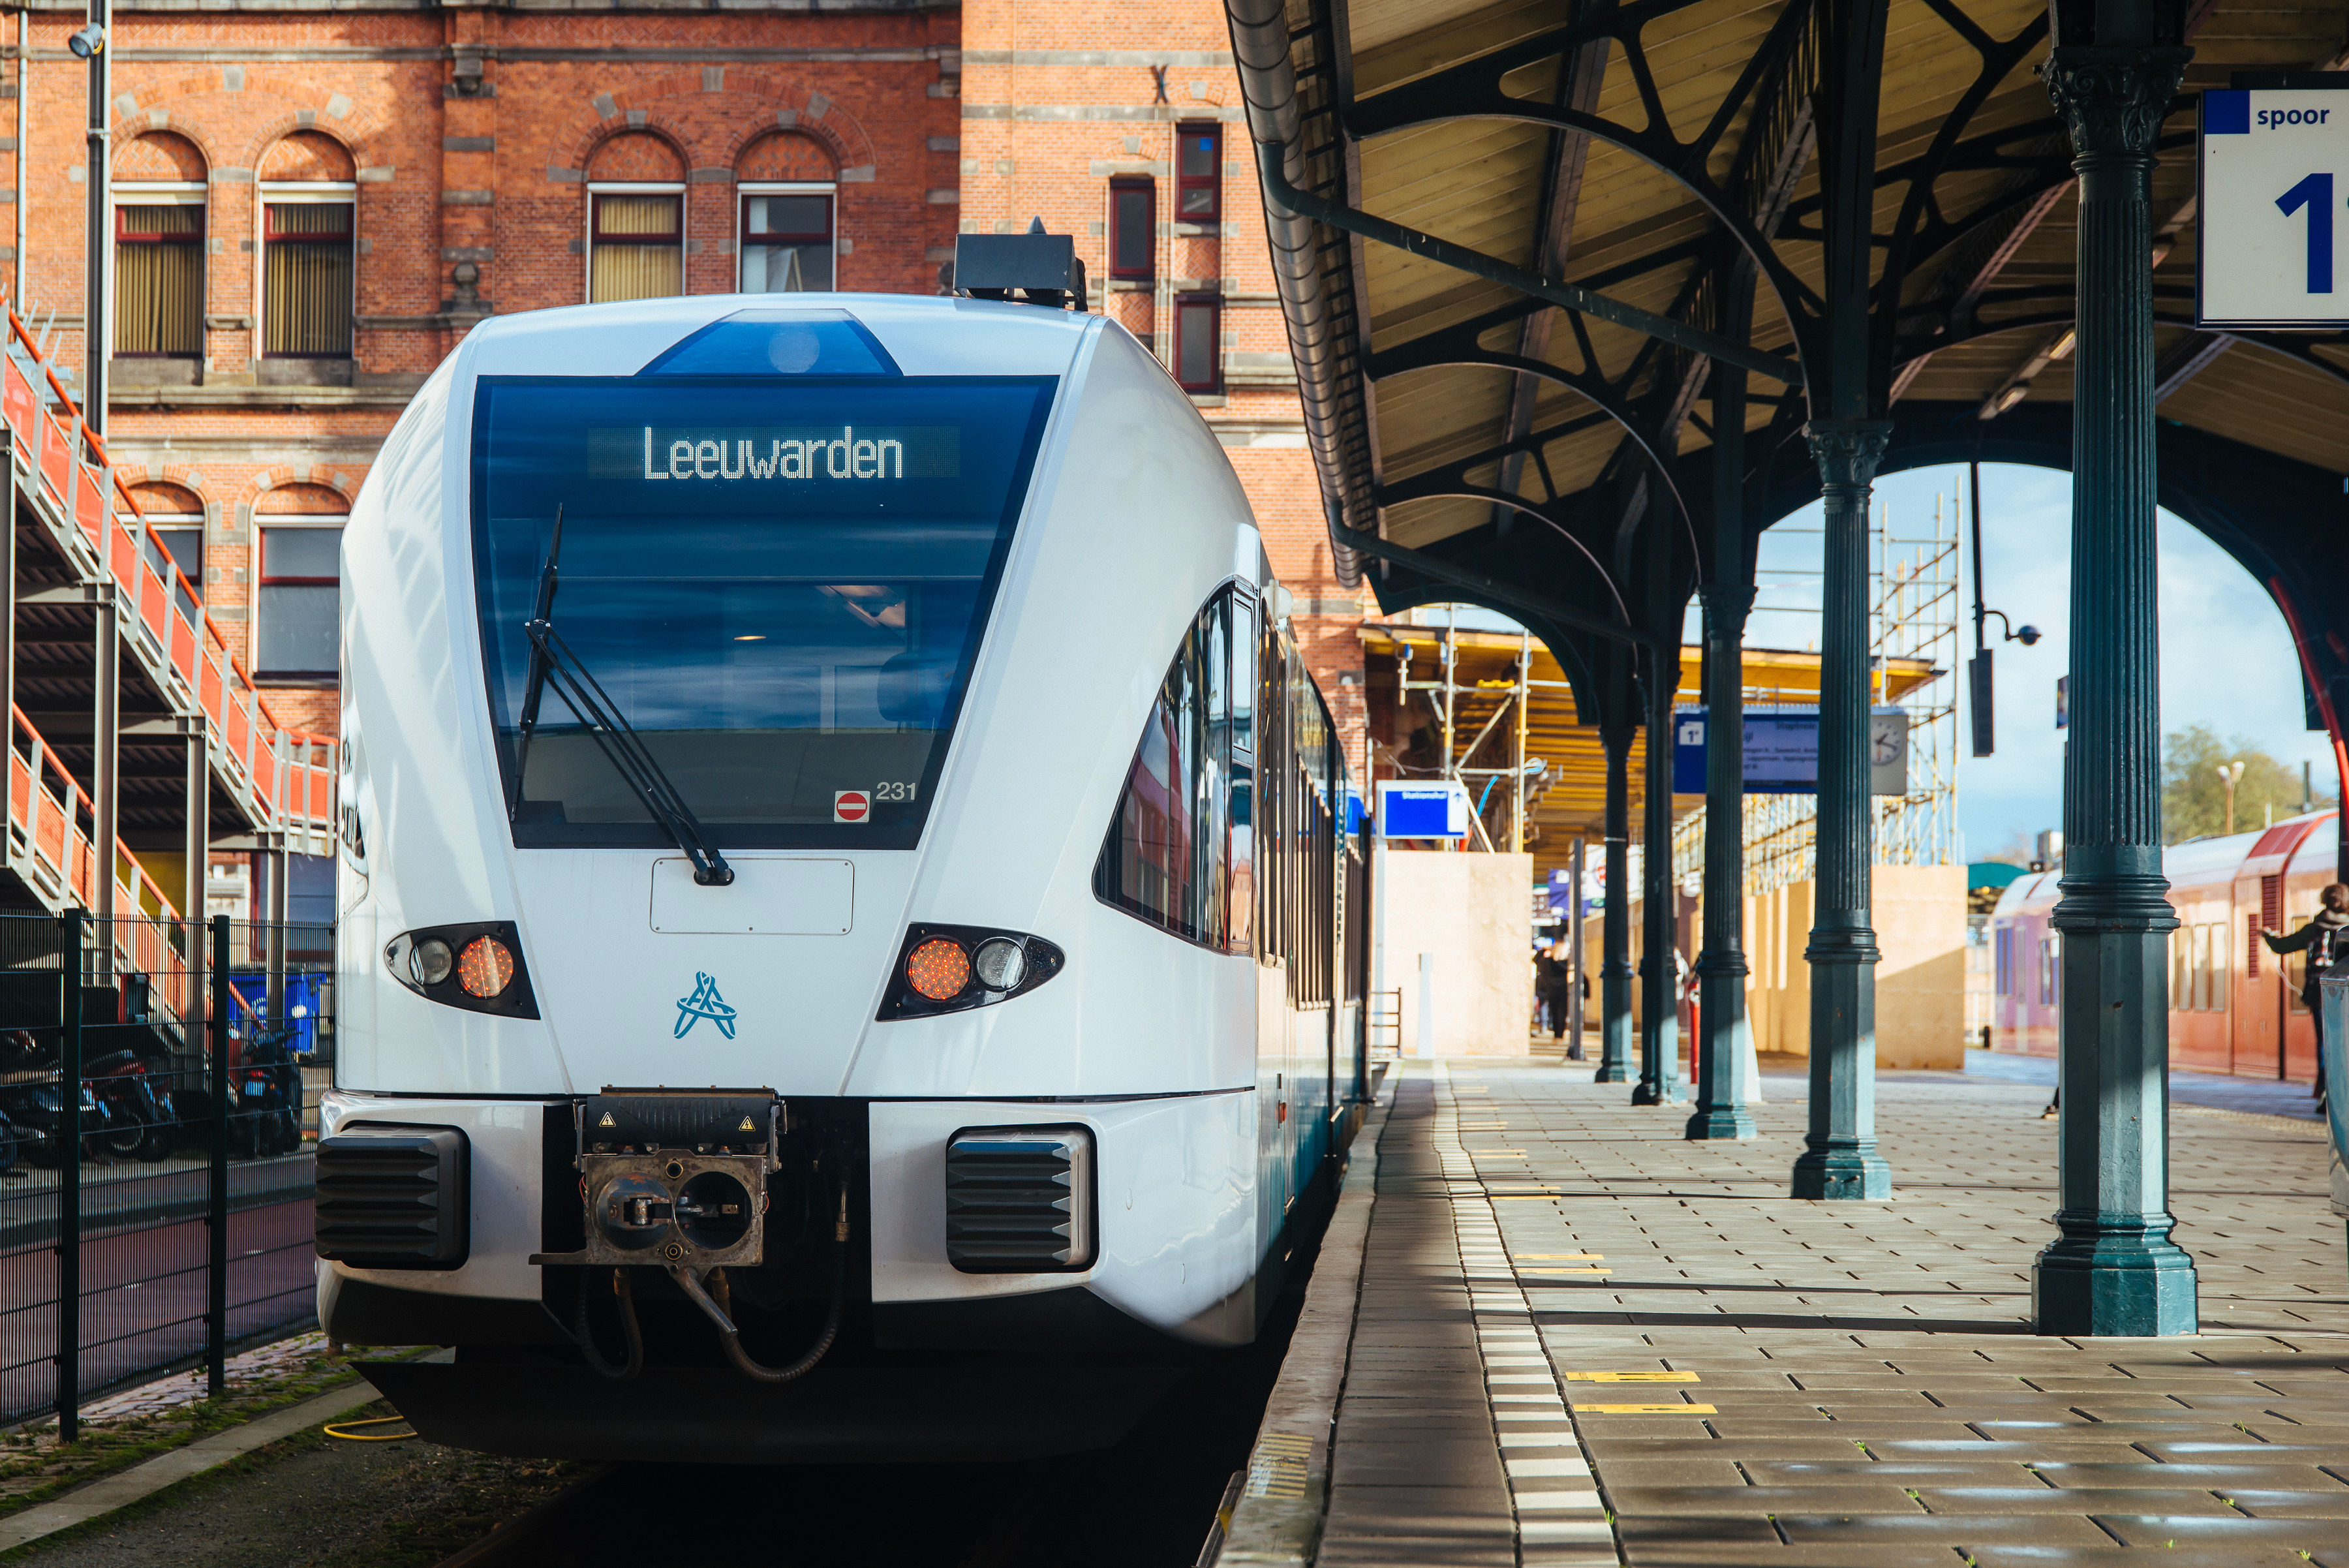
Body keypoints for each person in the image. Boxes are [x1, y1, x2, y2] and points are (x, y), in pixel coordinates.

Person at [2264, 883, 2349, 1114]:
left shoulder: (2314, 929)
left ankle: (2325, 1092)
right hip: (2348, 993)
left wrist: (2268, 936)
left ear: (2324, 901)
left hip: (2320, 993)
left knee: (2326, 1043)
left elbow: (2282, 946)